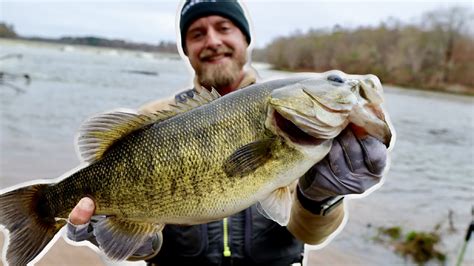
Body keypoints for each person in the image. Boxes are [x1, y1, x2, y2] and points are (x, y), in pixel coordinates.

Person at [67, 1, 388, 265]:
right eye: (197, 34)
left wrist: (321, 196)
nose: (212, 41)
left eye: (224, 28)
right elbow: (147, 248)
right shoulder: (152, 118)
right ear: (186, 49)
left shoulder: (306, 130)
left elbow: (311, 234)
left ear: (245, 39)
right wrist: (130, 239)